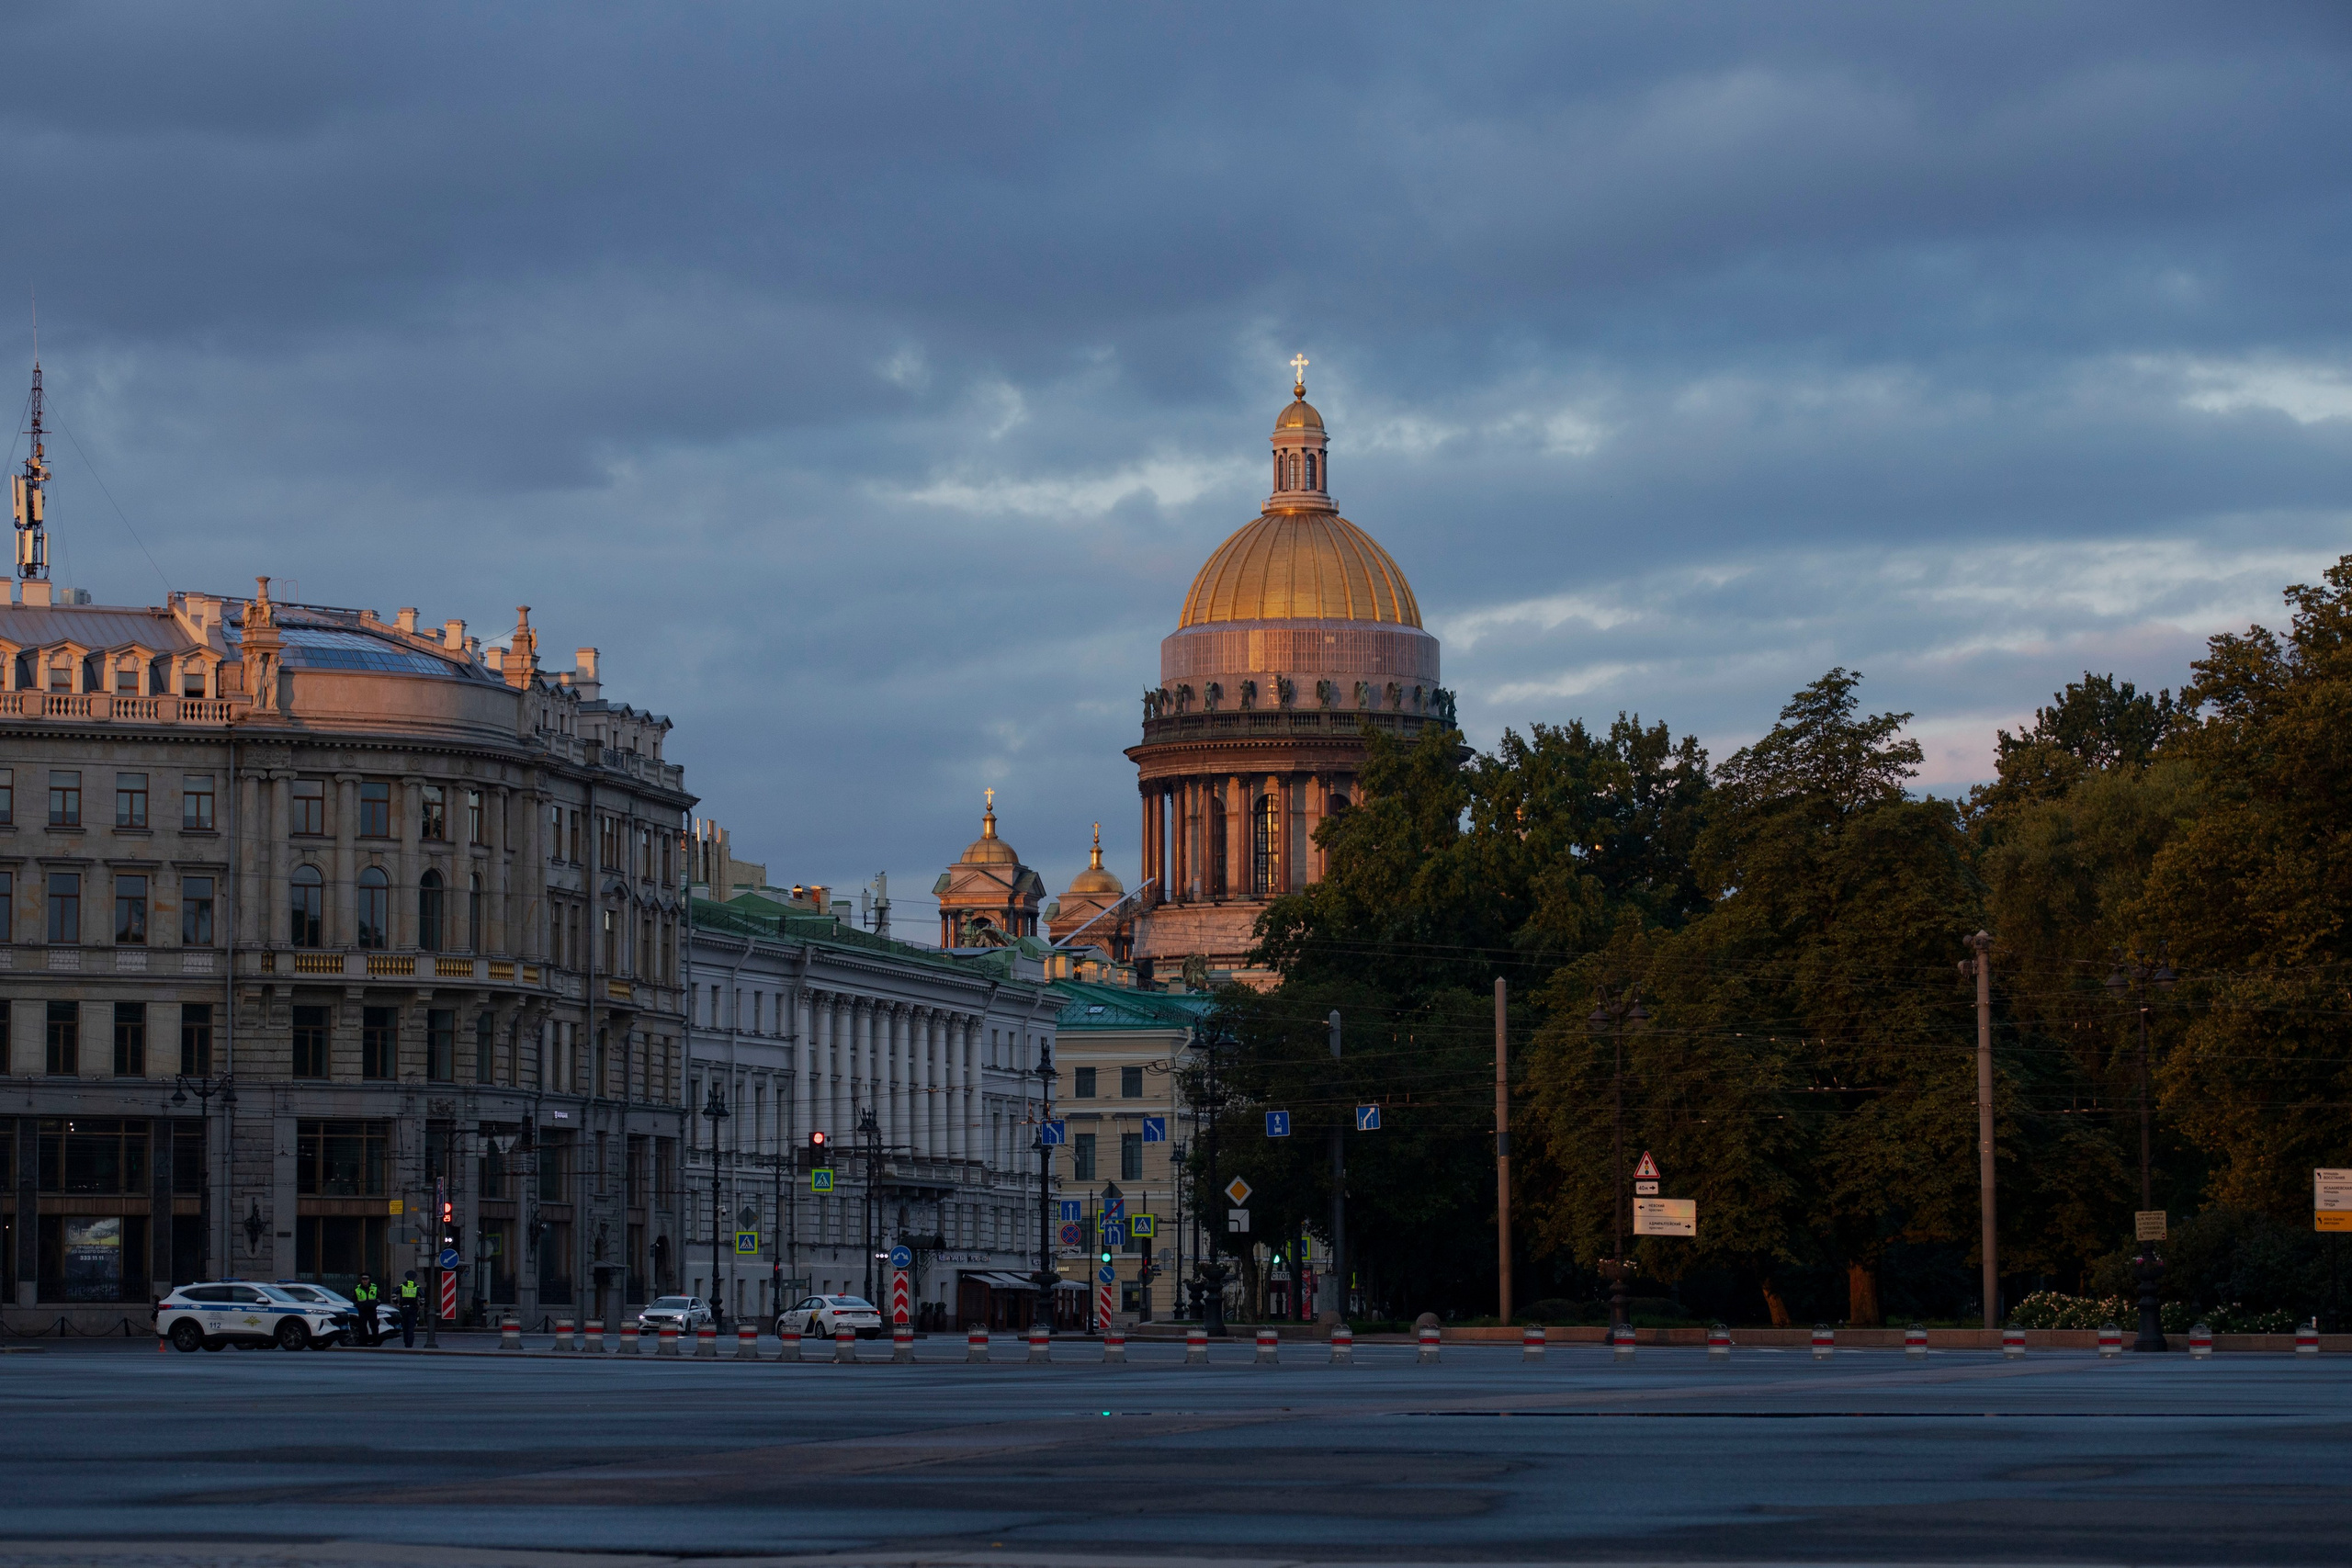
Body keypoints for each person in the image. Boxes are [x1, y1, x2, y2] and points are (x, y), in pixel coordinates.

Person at [353, 1273, 380, 1347]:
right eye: (363, 1279)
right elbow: (354, 1299)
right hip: (363, 1311)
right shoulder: (357, 1289)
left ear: (369, 1280)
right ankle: (363, 1343)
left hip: (372, 1310)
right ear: (361, 1280)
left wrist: (375, 1304)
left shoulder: (374, 1287)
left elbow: (379, 1297)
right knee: (362, 1327)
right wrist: (359, 1306)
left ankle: (376, 1343)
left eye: (366, 1279)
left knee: (374, 1326)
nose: (365, 1281)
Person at [397, 1271, 421, 1348]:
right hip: (413, 1308)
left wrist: (397, 1303)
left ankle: (406, 1342)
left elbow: (394, 1293)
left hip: (404, 1308)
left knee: (405, 1326)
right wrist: (420, 1305)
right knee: (411, 1327)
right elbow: (423, 1297)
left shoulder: (402, 1286)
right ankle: (410, 1343)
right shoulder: (416, 1287)